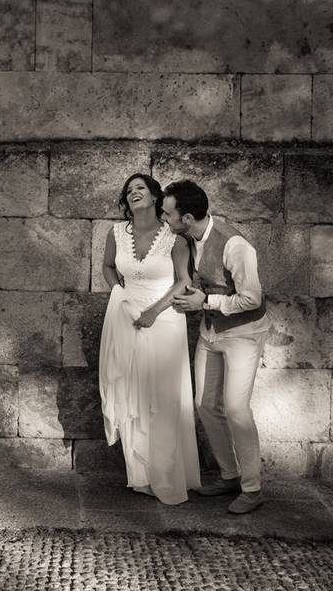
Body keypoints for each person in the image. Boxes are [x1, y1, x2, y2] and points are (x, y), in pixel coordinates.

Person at [163, 179, 271, 515]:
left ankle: (252, 489)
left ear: (188, 217)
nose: (164, 219)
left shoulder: (235, 245)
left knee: (236, 408)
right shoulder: (188, 239)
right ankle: (230, 476)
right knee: (205, 404)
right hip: (211, 332)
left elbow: (252, 298)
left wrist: (205, 301)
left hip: (243, 334)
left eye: (168, 214)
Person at [98, 173, 201, 505]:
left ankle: (167, 474)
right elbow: (108, 267)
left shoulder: (176, 238)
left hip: (164, 318)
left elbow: (183, 281)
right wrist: (121, 297)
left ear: (156, 196)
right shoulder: (116, 233)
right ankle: (140, 475)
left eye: (140, 188)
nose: (133, 193)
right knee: (132, 396)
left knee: (162, 399)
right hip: (127, 317)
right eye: (128, 191)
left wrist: (154, 312)